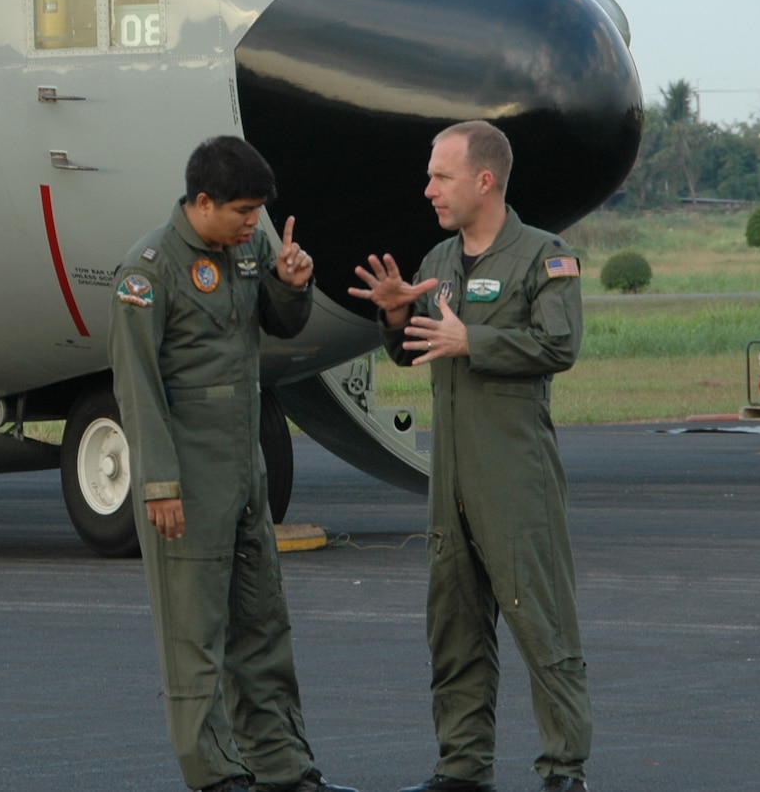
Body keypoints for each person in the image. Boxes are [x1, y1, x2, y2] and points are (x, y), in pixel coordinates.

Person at [349, 120, 593, 792]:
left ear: (484, 180)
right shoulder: (436, 263)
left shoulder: (545, 257)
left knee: (542, 624)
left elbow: (558, 347)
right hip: (449, 482)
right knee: (453, 632)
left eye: (441, 176)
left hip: (515, 479)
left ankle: (563, 769)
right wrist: (397, 316)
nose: (428, 188)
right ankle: (462, 767)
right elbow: (411, 350)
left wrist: (473, 342)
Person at [108, 136, 355, 792]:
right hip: (187, 481)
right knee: (196, 639)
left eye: (259, 213)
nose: (254, 224)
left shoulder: (249, 251)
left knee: (263, 628)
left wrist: (290, 283)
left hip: (246, 474)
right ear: (203, 202)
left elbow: (280, 321)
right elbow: (137, 388)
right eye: (244, 212)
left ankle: (283, 768)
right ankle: (215, 774)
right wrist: (158, 483)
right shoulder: (148, 271)